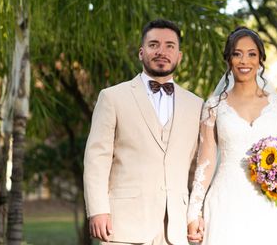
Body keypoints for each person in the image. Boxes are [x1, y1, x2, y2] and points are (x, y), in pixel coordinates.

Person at [187, 27, 277, 245]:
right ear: (228, 59)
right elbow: (205, 161)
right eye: (237, 53)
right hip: (225, 203)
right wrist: (194, 211)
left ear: (261, 59)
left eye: (252, 54)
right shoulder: (213, 107)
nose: (245, 61)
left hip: (269, 207)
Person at [83, 19, 204, 245]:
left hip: (176, 229)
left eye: (170, 46)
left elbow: (199, 166)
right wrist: (98, 210)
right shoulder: (112, 97)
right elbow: (96, 159)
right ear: (141, 52)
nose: (161, 51)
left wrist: (196, 212)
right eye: (153, 44)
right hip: (123, 225)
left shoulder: (196, 105)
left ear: (179, 55)